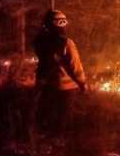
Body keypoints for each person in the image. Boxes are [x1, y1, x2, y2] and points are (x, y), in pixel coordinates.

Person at [33, 9, 88, 139]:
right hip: (65, 86)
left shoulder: (39, 41)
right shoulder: (67, 42)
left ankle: (44, 138)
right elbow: (75, 65)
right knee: (63, 116)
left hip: (45, 83)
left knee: (47, 112)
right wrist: (83, 82)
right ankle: (60, 141)